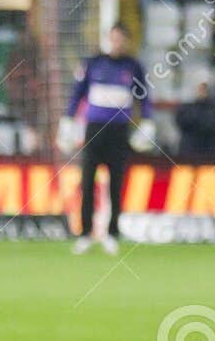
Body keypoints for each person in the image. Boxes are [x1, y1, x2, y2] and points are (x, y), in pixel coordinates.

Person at [59, 22, 153, 255]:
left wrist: (148, 122)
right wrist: (68, 120)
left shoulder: (133, 67)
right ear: (108, 39)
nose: (117, 43)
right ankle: (85, 234)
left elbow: (145, 97)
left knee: (116, 183)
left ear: (127, 41)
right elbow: (77, 94)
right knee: (88, 181)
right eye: (114, 38)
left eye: (121, 39)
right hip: (95, 129)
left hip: (119, 131)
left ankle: (112, 233)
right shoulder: (93, 63)